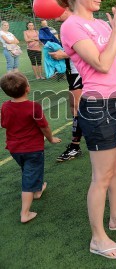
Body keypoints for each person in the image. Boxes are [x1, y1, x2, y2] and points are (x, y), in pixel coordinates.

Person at [51, 0, 116, 260]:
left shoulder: (105, 25)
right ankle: (97, 238)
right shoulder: (71, 26)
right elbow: (103, 65)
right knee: (101, 175)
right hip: (96, 105)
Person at [0, 72, 61, 223]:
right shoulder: (34, 107)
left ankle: (38, 189)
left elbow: (4, 124)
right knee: (28, 177)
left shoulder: (5, 106)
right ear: (28, 88)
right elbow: (44, 127)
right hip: (32, 148)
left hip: (15, 149)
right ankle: (25, 212)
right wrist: (51, 138)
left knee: (30, 170)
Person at [45, 9, 84, 163]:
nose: (53, 15)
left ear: (67, 8)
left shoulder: (76, 23)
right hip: (73, 70)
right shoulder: (68, 25)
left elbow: (90, 48)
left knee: (78, 109)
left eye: (57, 9)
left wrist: (64, 54)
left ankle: (75, 146)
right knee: (75, 108)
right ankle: (77, 145)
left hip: (81, 71)